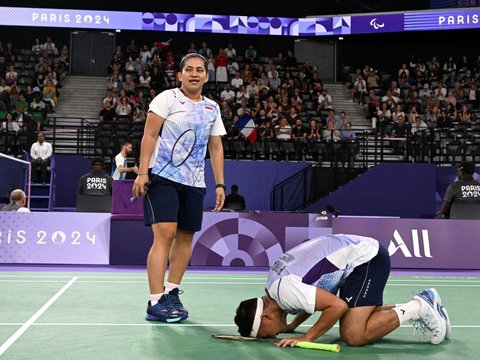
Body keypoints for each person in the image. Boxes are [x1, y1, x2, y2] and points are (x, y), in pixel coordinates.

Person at [131, 53, 226, 323]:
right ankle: (155, 300)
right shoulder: (166, 99)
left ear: (207, 76)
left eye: (199, 70)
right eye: (189, 69)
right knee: (165, 235)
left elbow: (215, 146)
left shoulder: (212, 108)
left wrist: (219, 183)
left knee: (185, 238)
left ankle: (171, 292)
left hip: (195, 182)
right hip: (162, 177)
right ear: (180, 75)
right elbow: (149, 135)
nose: (194, 74)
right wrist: (142, 172)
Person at [234, 234, 451, 347]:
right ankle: (428, 303)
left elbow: (336, 305)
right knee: (354, 320)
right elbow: (309, 299)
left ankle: (419, 306)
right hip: (353, 261)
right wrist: (293, 325)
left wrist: (308, 338)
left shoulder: (284, 291)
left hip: (366, 259)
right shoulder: (274, 286)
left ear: (265, 316)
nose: (271, 336)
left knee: (354, 334)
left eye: (264, 334)